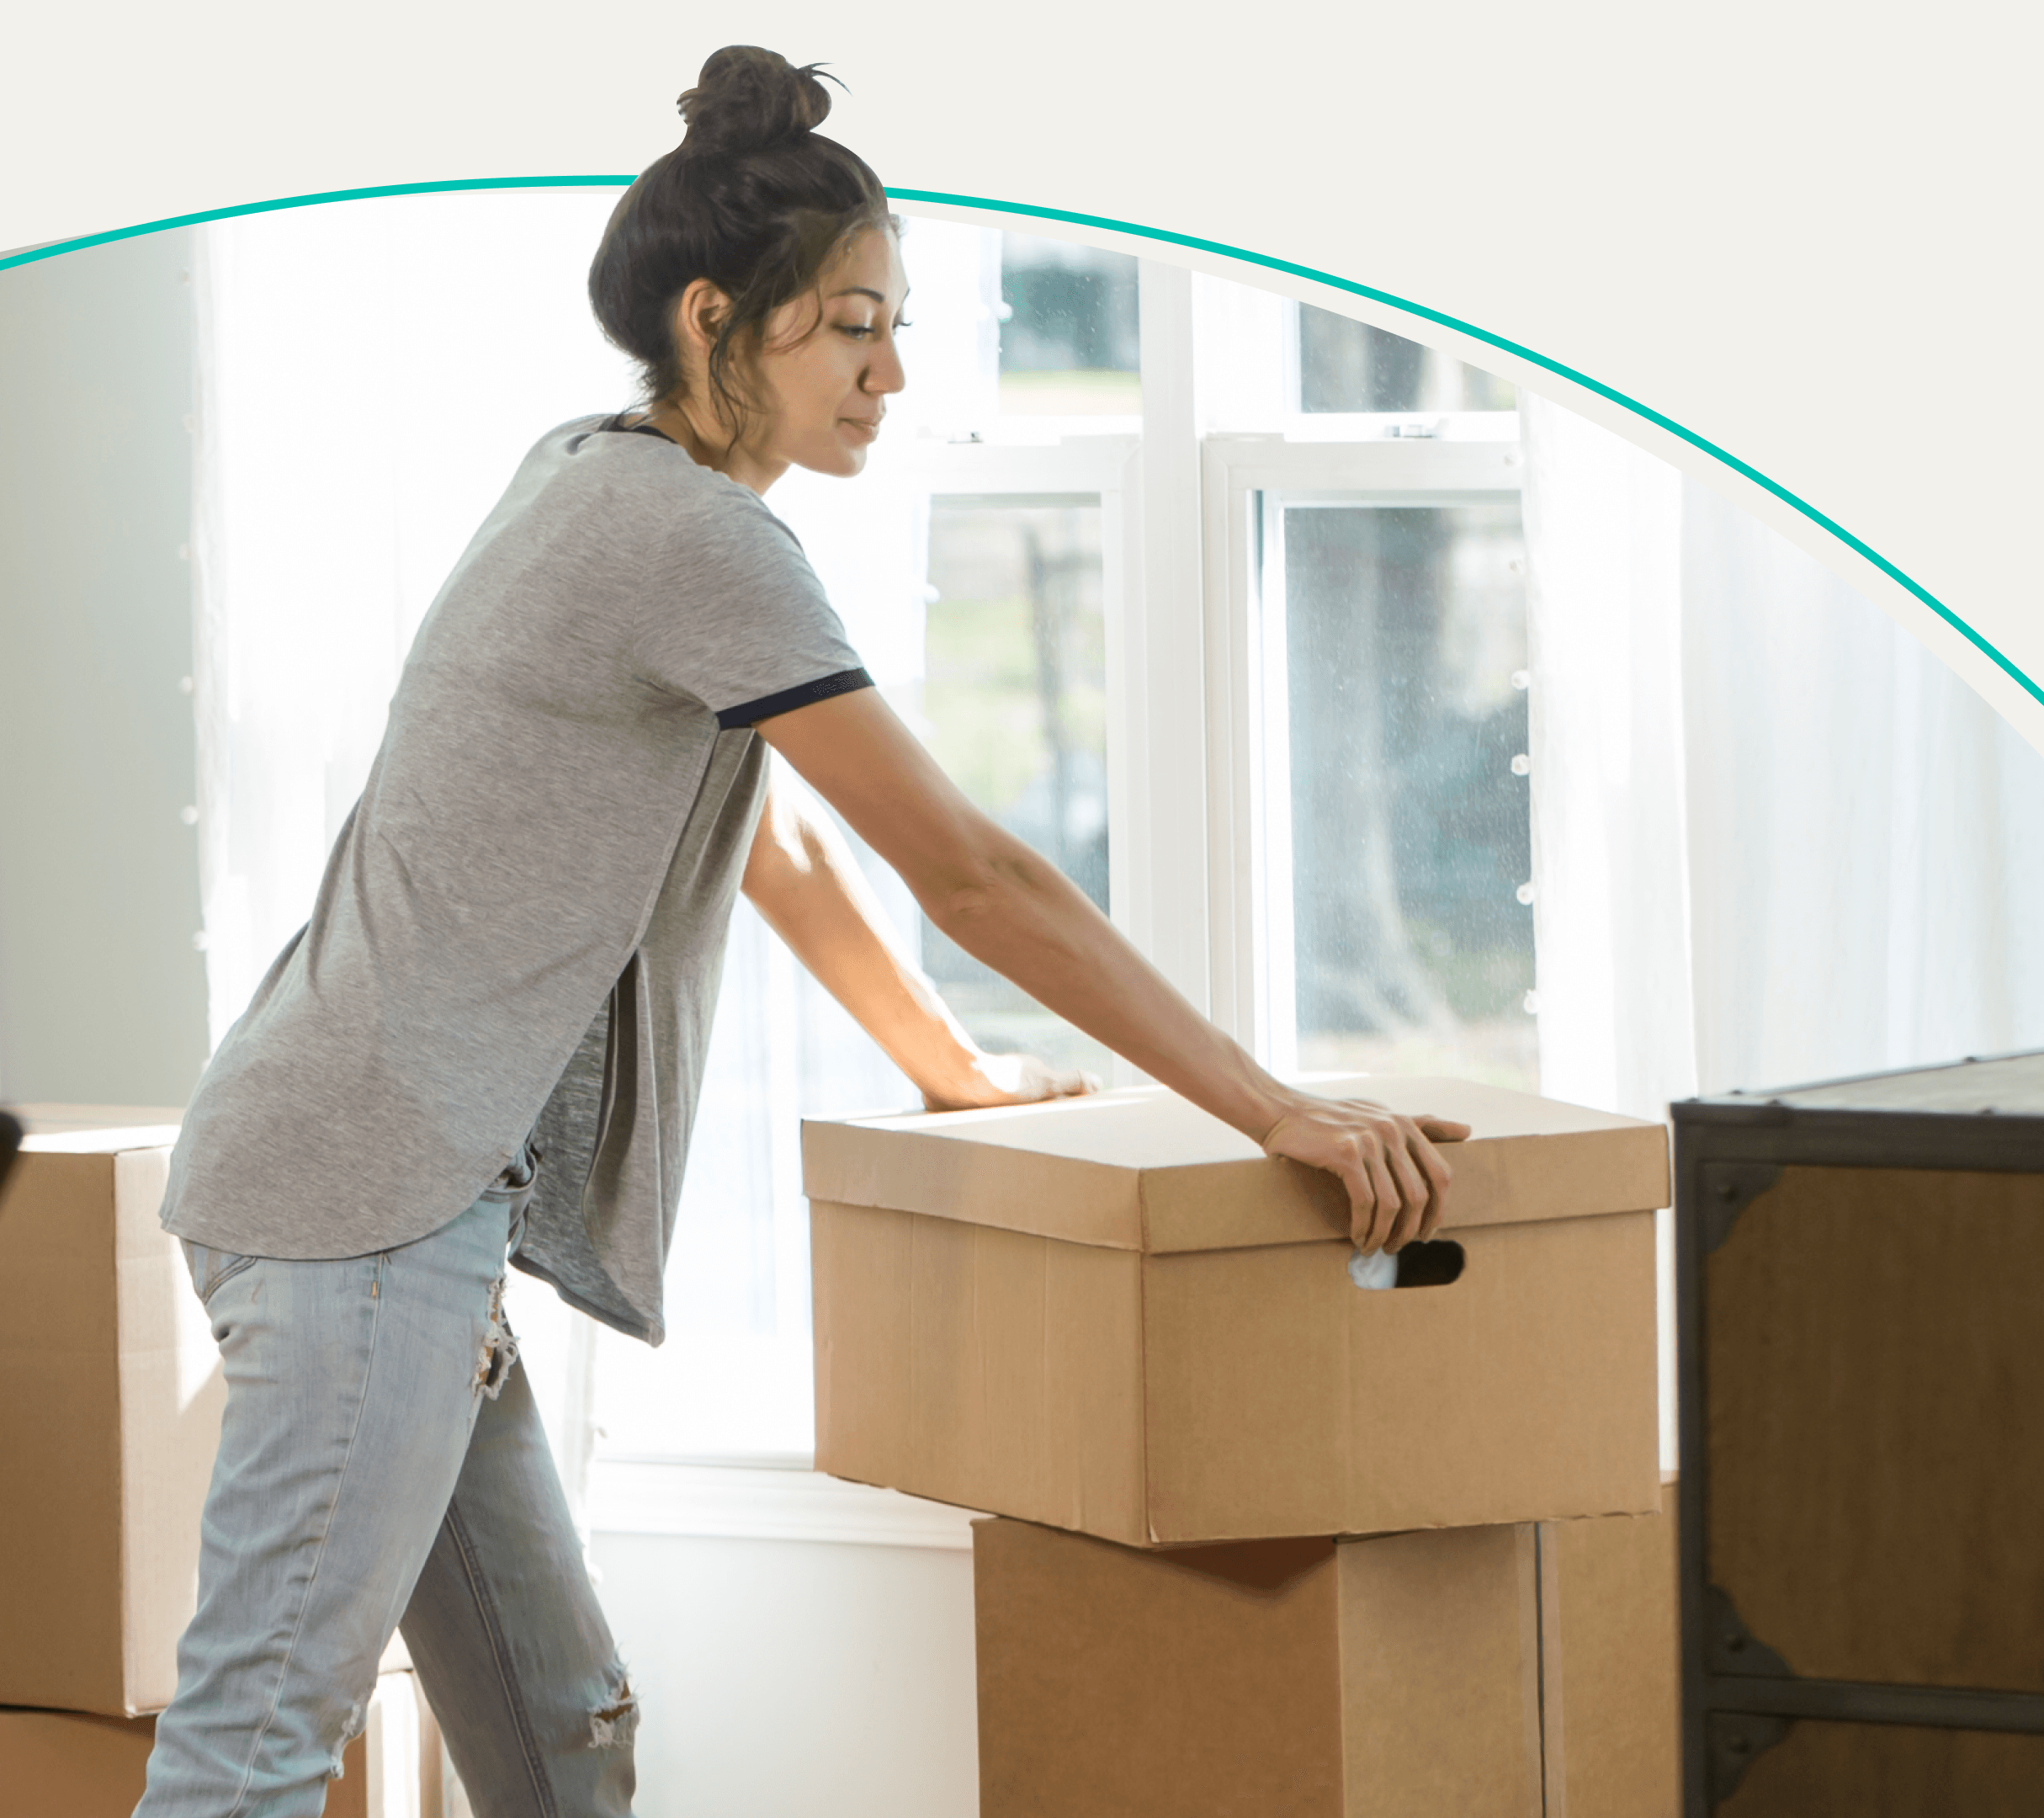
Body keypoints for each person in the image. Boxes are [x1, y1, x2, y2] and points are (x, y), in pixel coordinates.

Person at [133, 46, 1468, 1818]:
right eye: (852, 325)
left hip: (384, 1199)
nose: (891, 373)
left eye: (895, 325)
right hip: (359, 1203)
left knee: (561, 1734)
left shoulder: (595, 474)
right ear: (717, 318)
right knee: (257, 1753)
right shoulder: (687, 538)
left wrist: (951, 1067)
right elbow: (974, 872)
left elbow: (761, 854)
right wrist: (1278, 1111)